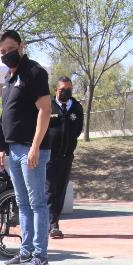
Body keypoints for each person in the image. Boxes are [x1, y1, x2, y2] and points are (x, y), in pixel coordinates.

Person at [0, 30, 52, 265]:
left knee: (37, 202)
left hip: (31, 149)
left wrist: (35, 146)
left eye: (10, 49)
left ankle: (41, 254)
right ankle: (26, 250)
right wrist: (1, 148)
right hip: (13, 149)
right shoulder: (8, 79)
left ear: (21, 46)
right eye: (2, 52)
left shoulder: (34, 72)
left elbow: (45, 110)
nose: (7, 54)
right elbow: (5, 117)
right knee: (22, 203)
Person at [46, 76, 84, 239]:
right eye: (62, 90)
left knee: (60, 191)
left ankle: (54, 221)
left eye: (68, 89)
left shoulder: (76, 107)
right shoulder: (48, 105)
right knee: (49, 190)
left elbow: (78, 130)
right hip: (49, 156)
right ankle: (52, 224)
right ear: (56, 90)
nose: (65, 92)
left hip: (66, 156)